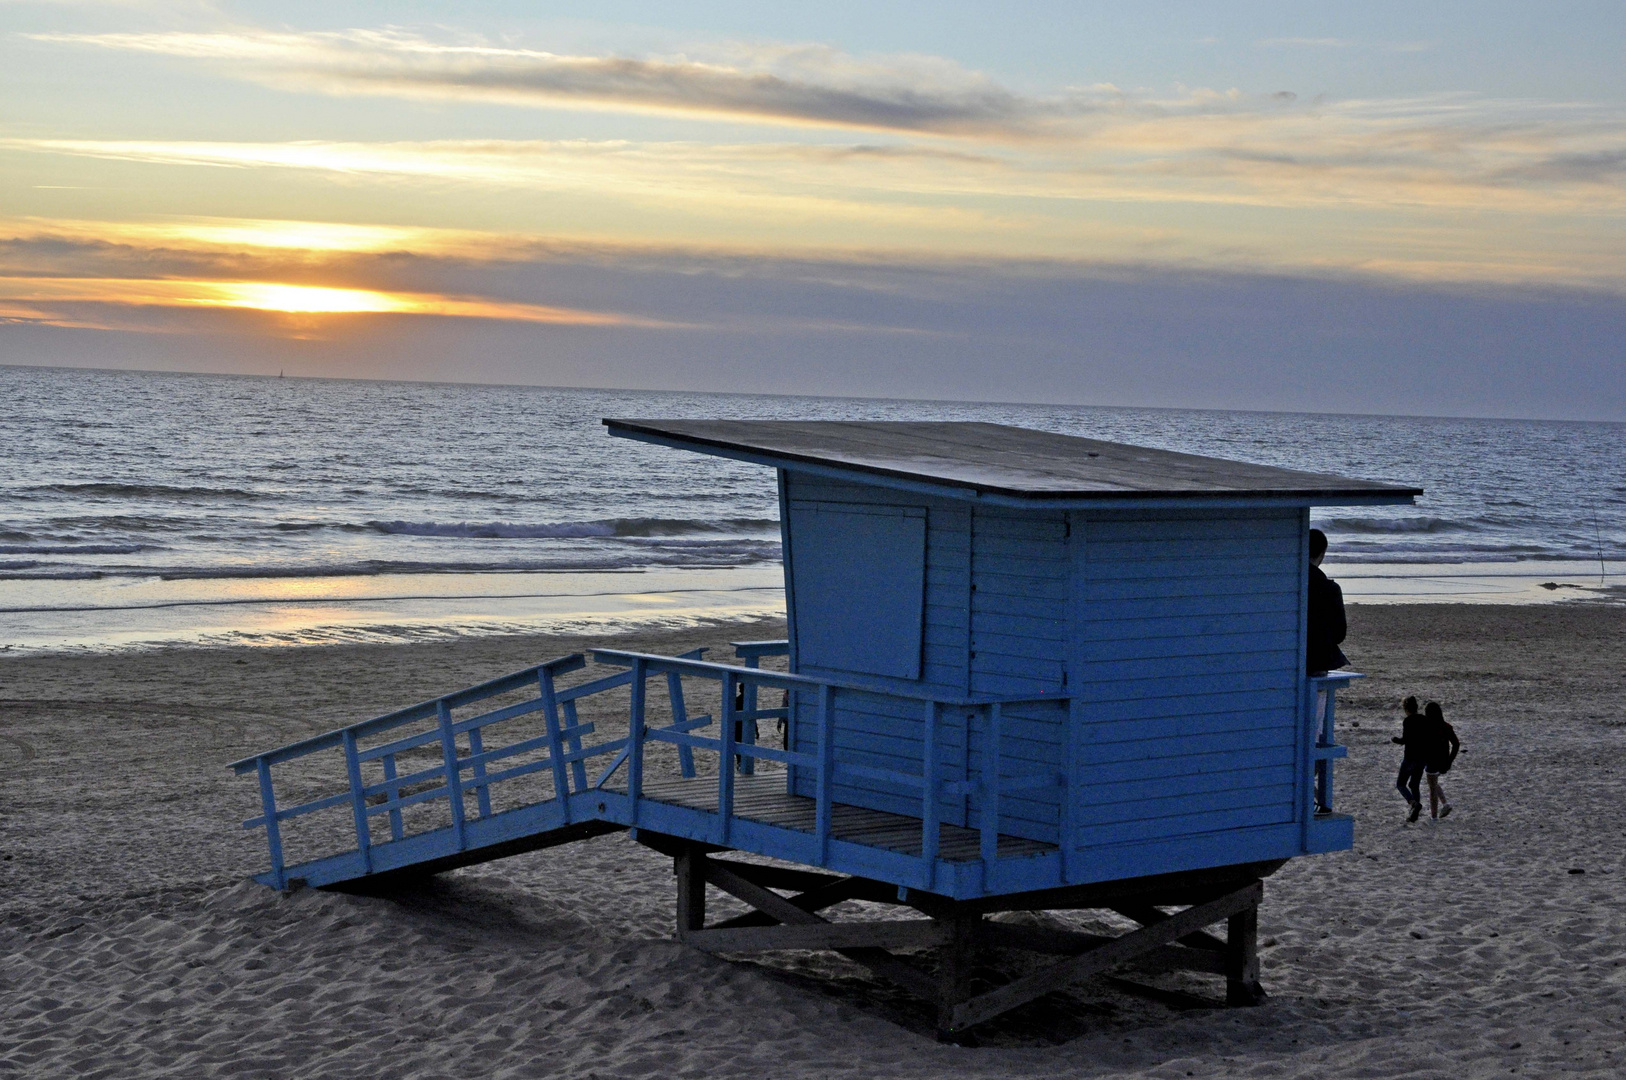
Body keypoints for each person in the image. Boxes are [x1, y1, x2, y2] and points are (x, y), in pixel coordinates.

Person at [1306, 528, 1348, 675]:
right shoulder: (1330, 589)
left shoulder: (1289, 583)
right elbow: (1339, 634)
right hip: (1317, 659)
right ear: (1322, 554)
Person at [1391, 696, 1428, 823]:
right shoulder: (1424, 719)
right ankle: (1414, 813)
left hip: (1410, 757)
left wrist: (1396, 740)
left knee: (1401, 784)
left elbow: (1405, 739)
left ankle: (1412, 803)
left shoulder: (1407, 721)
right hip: (1422, 757)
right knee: (1414, 784)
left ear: (1406, 709)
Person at [1422, 701, 1460, 819]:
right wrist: (1449, 760)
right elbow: (1456, 744)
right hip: (1443, 760)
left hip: (1432, 759)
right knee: (1432, 782)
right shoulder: (1447, 726)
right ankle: (1445, 803)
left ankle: (1434, 816)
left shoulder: (1427, 727)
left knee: (1432, 787)